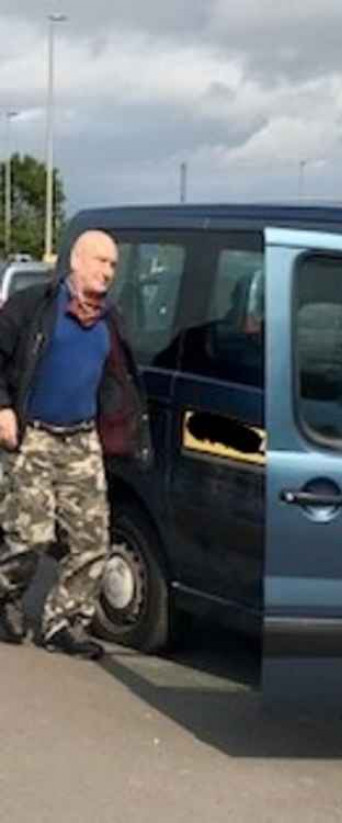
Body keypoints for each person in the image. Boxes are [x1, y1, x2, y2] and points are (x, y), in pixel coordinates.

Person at [0, 230, 151, 660]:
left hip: (80, 439)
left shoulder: (109, 319)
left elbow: (117, 379)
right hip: (34, 436)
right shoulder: (35, 307)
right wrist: (3, 408)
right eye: (101, 261)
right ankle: (4, 595)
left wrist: (122, 426)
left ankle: (63, 623)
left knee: (91, 542)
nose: (108, 271)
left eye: (114, 265)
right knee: (29, 537)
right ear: (76, 261)